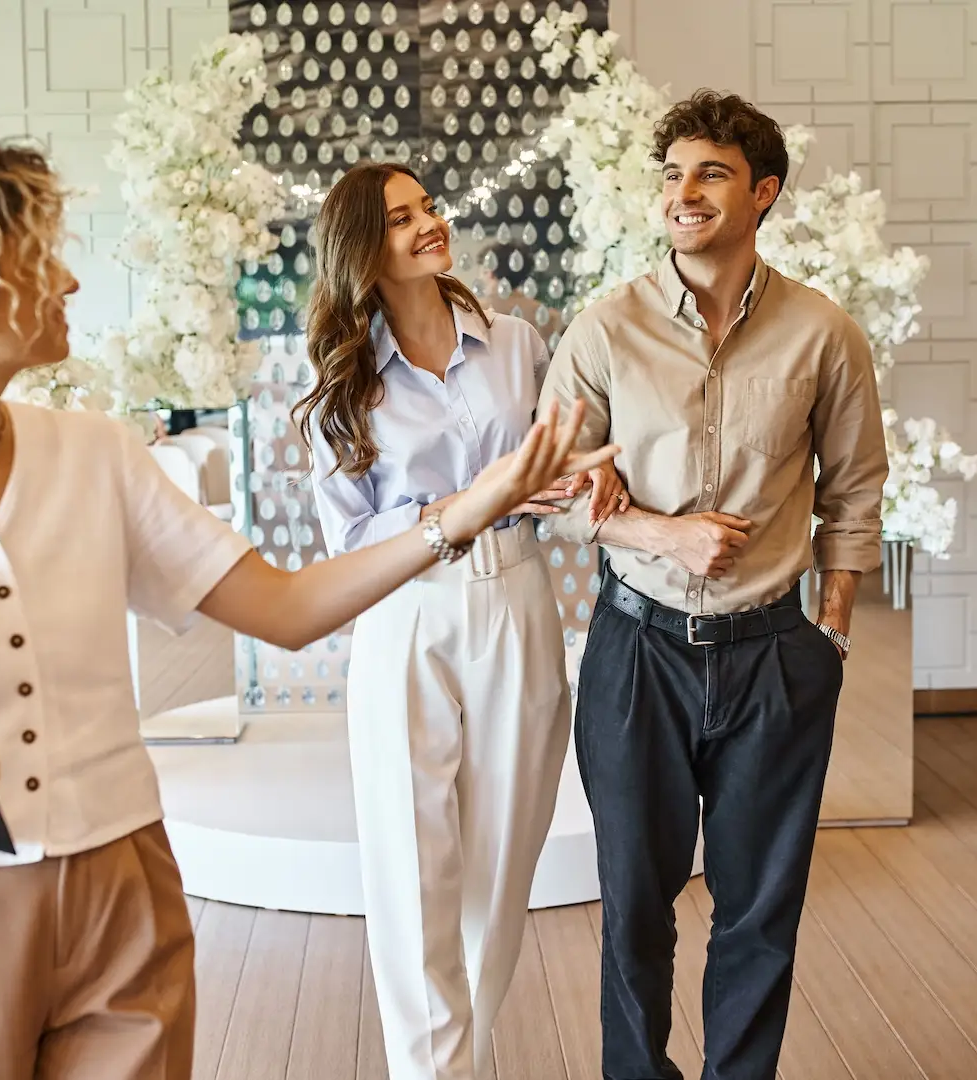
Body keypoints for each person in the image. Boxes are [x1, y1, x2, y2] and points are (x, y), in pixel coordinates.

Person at [0, 142, 614, 1080]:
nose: (73, 277)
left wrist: (468, 511)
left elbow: (286, 610)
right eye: (43, 258)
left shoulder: (95, 454)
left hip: (124, 889)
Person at [539, 91, 888, 1080]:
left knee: (760, 914)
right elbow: (546, 490)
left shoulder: (824, 334)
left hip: (775, 655)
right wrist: (662, 532)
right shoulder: (604, 330)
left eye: (711, 174)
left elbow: (855, 492)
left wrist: (832, 629)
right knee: (634, 911)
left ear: (763, 193)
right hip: (636, 653)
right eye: (672, 174)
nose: (682, 194)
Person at [293, 161, 623, 1080]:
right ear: (364, 248)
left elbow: (554, 479)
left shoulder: (516, 343)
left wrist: (572, 480)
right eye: (401, 218)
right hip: (406, 613)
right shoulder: (342, 380)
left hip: (519, 599)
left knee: (500, 870)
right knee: (411, 869)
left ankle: (463, 1065)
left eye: (429, 206)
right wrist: (476, 498)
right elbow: (350, 539)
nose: (429, 224)